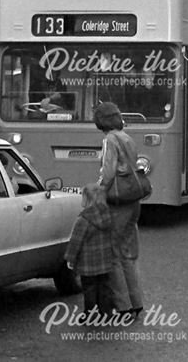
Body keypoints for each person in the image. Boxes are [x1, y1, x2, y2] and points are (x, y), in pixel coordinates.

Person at [95, 102, 144, 317]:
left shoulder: (110, 140)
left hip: (119, 200)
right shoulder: (127, 137)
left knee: (113, 254)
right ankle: (136, 301)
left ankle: (123, 306)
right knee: (128, 254)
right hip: (134, 198)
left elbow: (108, 172)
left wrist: (98, 191)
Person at [65, 184, 117, 318]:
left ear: (87, 200)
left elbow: (76, 241)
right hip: (105, 261)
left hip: (88, 263)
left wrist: (70, 259)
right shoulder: (108, 215)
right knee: (104, 287)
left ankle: (91, 314)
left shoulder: (84, 219)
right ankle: (106, 312)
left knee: (89, 289)